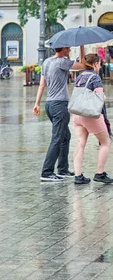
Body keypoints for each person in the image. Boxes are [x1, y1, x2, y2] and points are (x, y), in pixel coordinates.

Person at [33, 45, 85, 182]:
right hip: (60, 105)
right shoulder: (63, 62)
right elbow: (83, 65)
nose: (69, 50)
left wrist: (37, 103)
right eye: (67, 48)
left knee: (65, 136)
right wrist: (82, 47)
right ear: (62, 50)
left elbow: (42, 85)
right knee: (57, 138)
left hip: (50, 104)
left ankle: (62, 170)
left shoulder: (47, 62)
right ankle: (46, 172)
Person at [71, 54, 113, 184]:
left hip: (77, 114)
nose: (99, 66)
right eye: (99, 63)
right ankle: (100, 173)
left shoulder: (79, 76)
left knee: (80, 143)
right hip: (90, 115)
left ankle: (78, 176)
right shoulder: (95, 77)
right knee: (105, 142)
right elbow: (99, 98)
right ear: (95, 64)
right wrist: (104, 96)